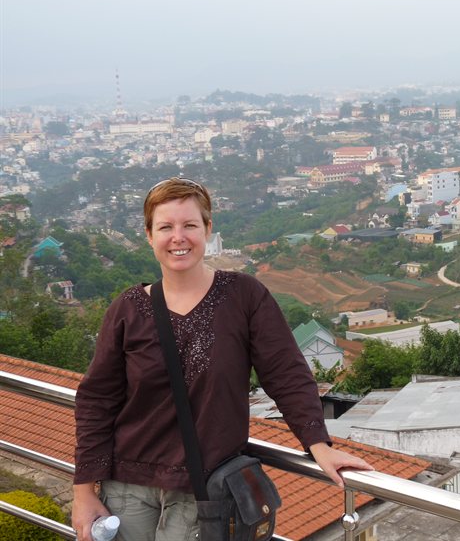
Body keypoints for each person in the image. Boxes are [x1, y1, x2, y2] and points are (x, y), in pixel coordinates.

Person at [72, 177, 372, 541]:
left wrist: (318, 445)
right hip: (127, 486)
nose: (178, 237)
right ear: (149, 236)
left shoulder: (243, 296)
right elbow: (97, 399)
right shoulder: (128, 309)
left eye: (190, 225)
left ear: (208, 229)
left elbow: (285, 373)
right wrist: (84, 491)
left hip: (203, 487)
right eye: (165, 227)